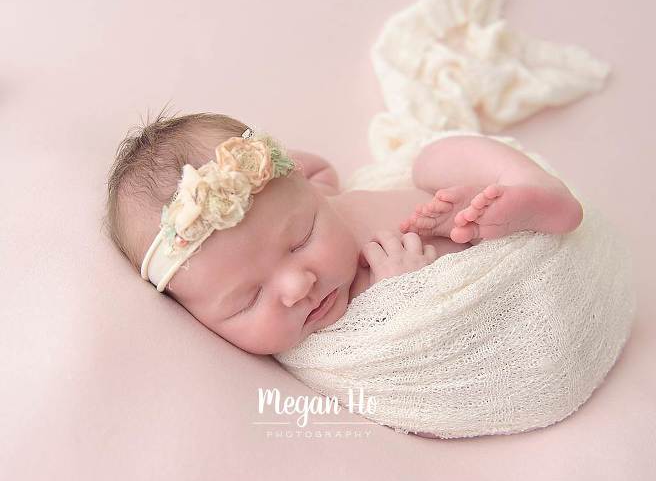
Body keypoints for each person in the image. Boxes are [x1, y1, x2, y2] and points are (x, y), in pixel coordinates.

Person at [105, 109, 583, 357]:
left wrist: (317, 184)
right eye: (248, 299)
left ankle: (531, 189)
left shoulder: (307, 192)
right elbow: (415, 351)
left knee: (434, 158)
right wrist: (403, 293)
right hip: (483, 282)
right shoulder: (333, 336)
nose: (297, 286)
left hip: (459, 206)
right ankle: (516, 211)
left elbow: (315, 170)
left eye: (301, 239)